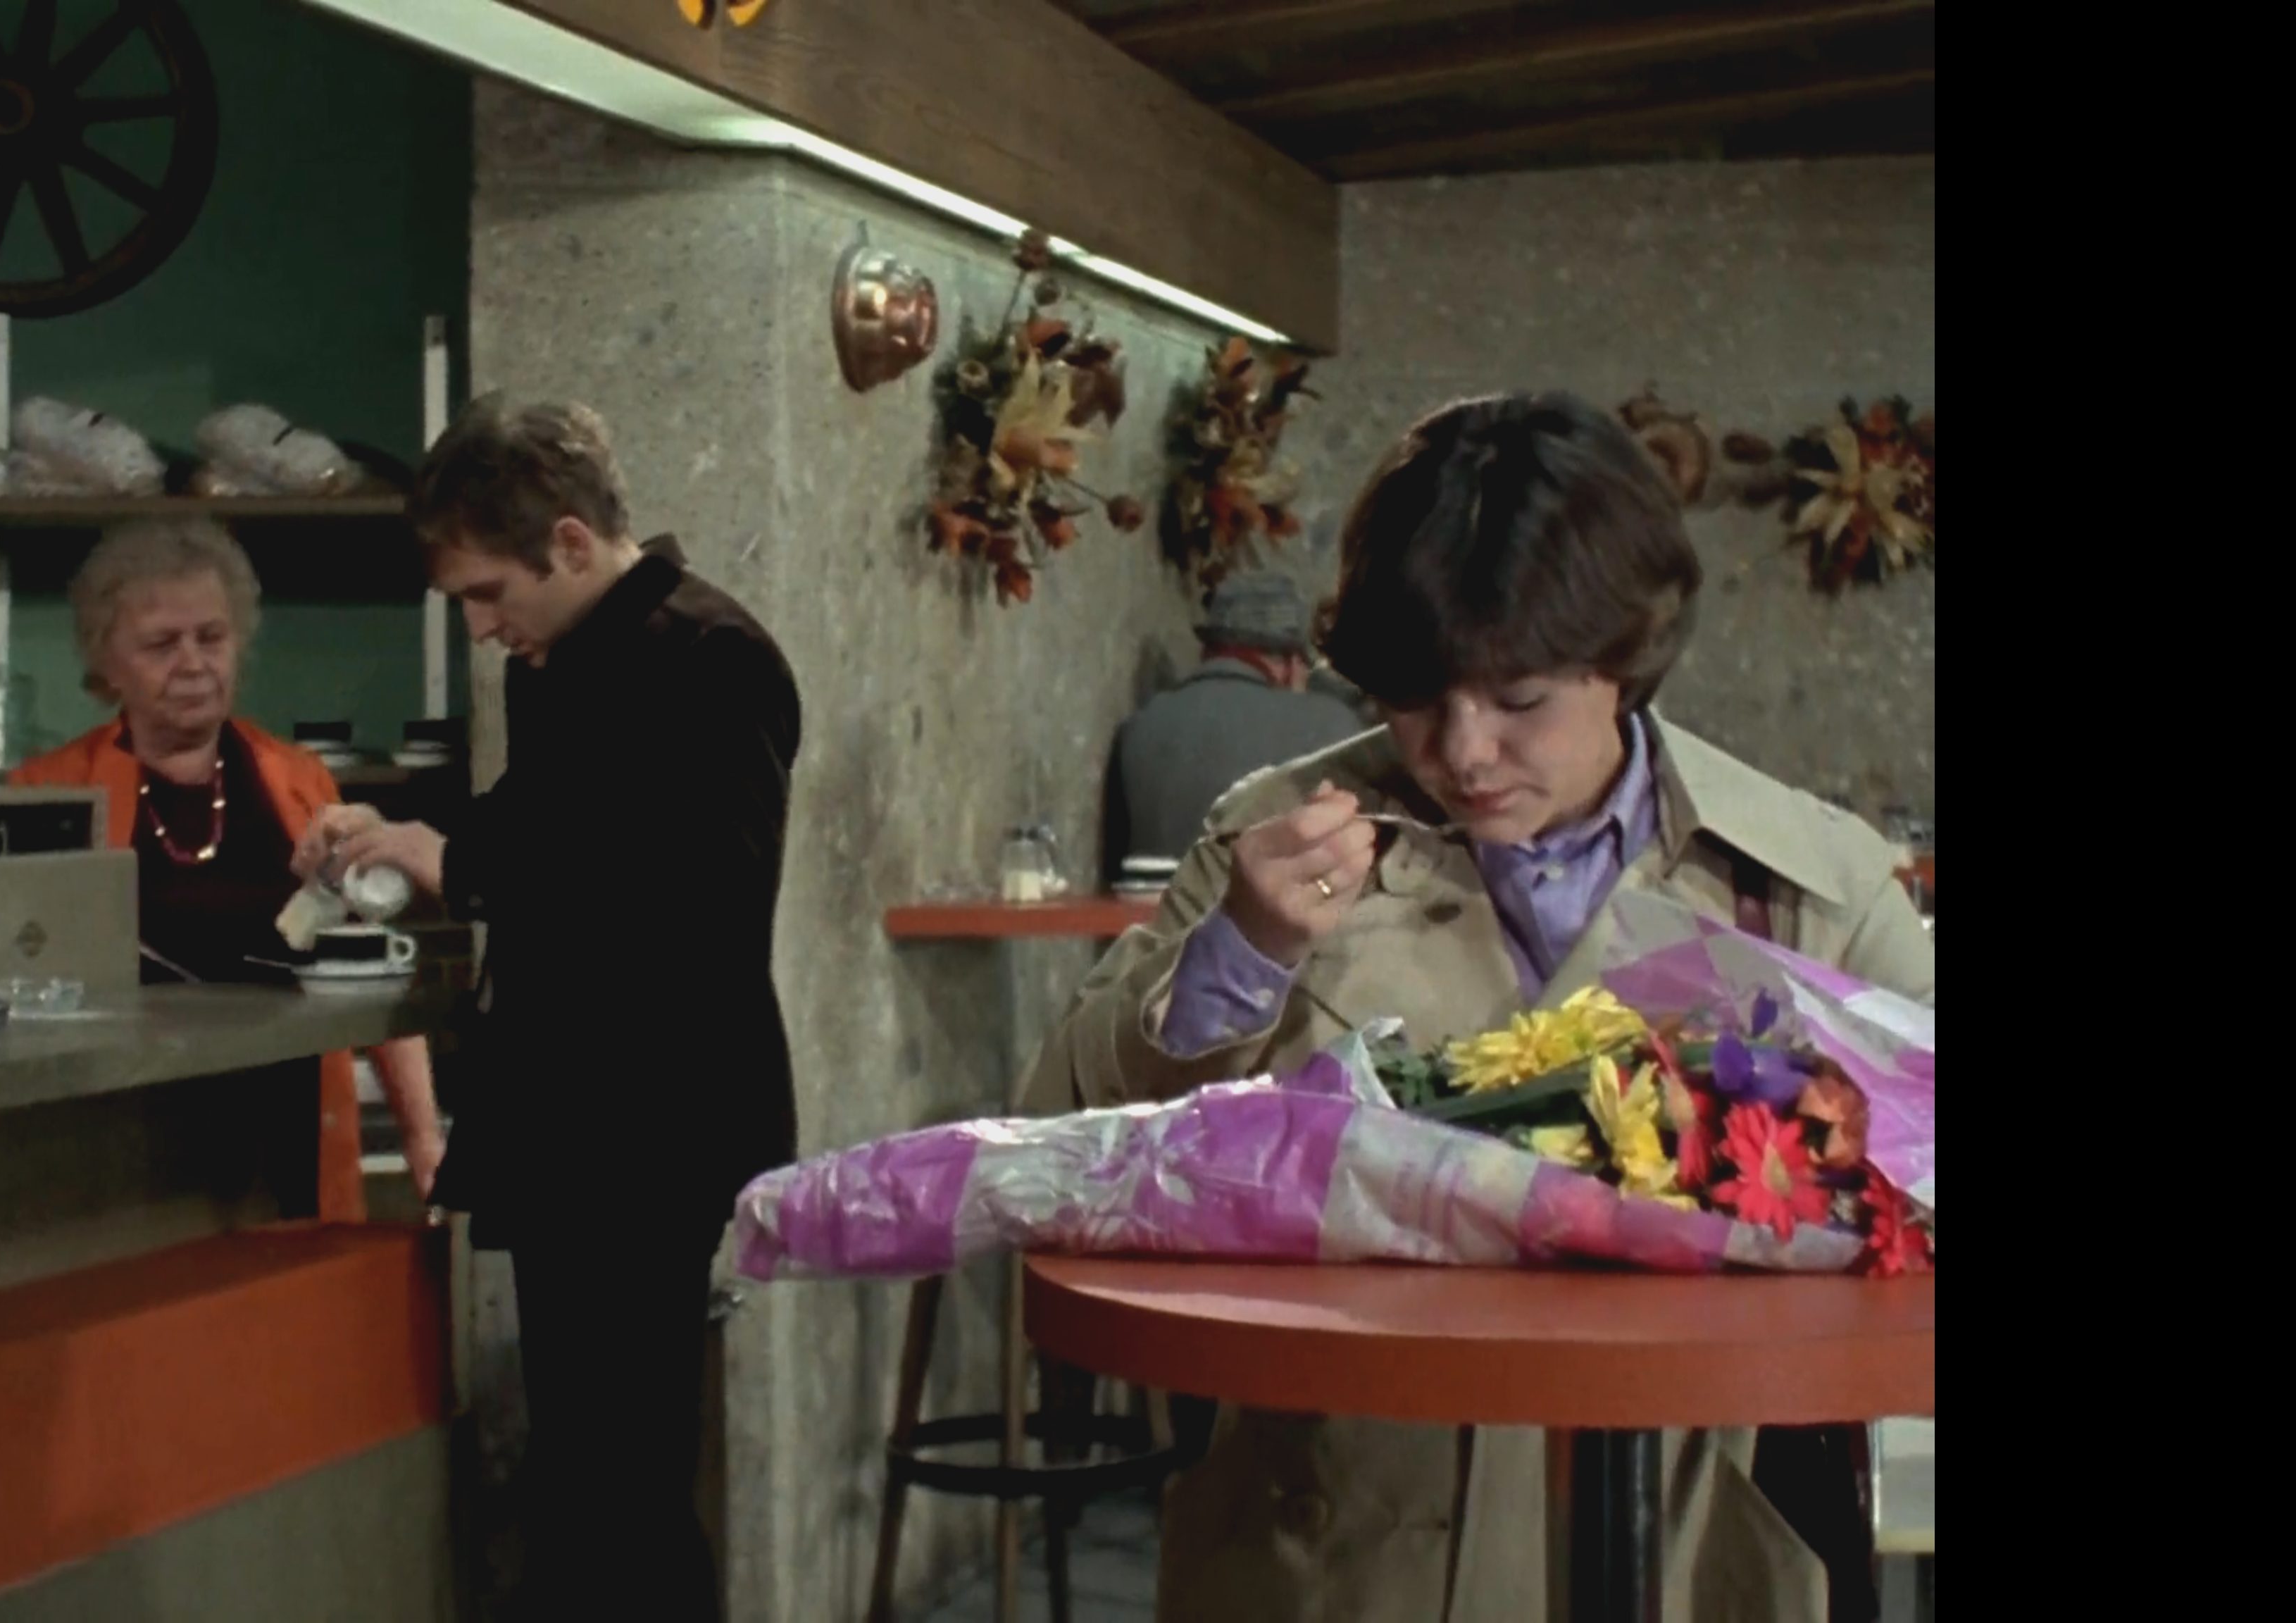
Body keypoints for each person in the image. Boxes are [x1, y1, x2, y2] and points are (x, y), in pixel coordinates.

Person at [1021, 392, 1933, 1623]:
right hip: (1326, 1561)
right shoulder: (1274, 834)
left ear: (1624, 657)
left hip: (1668, 1557)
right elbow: (1056, 1140)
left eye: (1519, 700)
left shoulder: (1803, 880)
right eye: (1416, 696)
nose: (1462, 751)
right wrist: (1240, 952)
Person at [294, 397, 801, 1623]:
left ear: (570, 542)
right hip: (566, 1112)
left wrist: (462, 862)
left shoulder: (712, 657)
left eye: (486, 592)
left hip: (652, 1118)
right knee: (578, 1478)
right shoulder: (563, 659)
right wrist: (408, 835)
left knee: (628, 1486)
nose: (479, 626)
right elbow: (544, 819)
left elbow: (706, 890)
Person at [11, 518, 444, 1216]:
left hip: (289, 1142)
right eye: (161, 644)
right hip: (116, 1151)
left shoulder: (301, 782)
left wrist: (424, 1136)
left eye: (211, 637)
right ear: (107, 663)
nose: (193, 663)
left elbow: (371, 967)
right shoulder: (47, 794)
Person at [1102, 569, 1370, 878]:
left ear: (1209, 650)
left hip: (1144, 905)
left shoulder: (1143, 724)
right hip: (1253, 905)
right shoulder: (1331, 725)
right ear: (1291, 663)